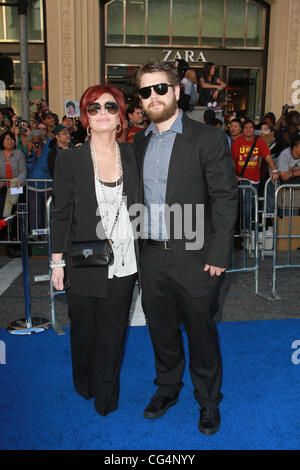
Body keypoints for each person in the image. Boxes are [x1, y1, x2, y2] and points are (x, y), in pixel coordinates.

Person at [133, 60, 238, 436]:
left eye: (160, 88)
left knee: (200, 329)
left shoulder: (207, 138)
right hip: (151, 253)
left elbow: (226, 198)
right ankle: (167, 387)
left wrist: (218, 253)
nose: (153, 97)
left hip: (195, 254)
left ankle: (208, 400)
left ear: (177, 91)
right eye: (146, 91)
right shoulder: (139, 140)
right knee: (160, 328)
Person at [50, 84, 139, 417]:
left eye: (110, 107)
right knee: (84, 329)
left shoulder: (133, 155)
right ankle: (84, 382)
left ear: (120, 117)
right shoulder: (69, 159)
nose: (102, 113)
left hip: (125, 261)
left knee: (113, 331)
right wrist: (57, 263)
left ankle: (107, 396)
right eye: (94, 108)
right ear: (85, 118)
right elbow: (61, 214)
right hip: (84, 259)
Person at [231, 119, 279, 230]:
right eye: (246, 128)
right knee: (247, 203)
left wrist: (274, 170)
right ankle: (247, 230)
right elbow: (233, 160)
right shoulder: (237, 142)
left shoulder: (259, 142)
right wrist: (234, 174)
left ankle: (250, 229)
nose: (248, 130)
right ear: (243, 130)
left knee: (252, 205)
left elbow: (267, 156)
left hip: (255, 179)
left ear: (254, 129)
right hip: (243, 178)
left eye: (250, 127)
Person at [25, 130, 52, 232]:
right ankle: (36, 237)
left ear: (42, 141)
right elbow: (29, 167)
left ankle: (47, 237)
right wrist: (31, 153)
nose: (36, 144)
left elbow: (46, 168)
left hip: (47, 187)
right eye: (34, 142)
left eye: (38, 141)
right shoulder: (28, 151)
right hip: (33, 188)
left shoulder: (48, 151)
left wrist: (40, 155)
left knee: (46, 214)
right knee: (35, 214)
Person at [0, 131, 26, 220]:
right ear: (2, 141)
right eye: (7, 139)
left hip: (16, 187)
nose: (10, 142)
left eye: (12, 139)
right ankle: (3, 232)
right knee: (2, 211)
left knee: (16, 212)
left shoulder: (18, 153)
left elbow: (23, 170)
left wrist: (20, 181)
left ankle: (15, 233)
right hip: (3, 187)